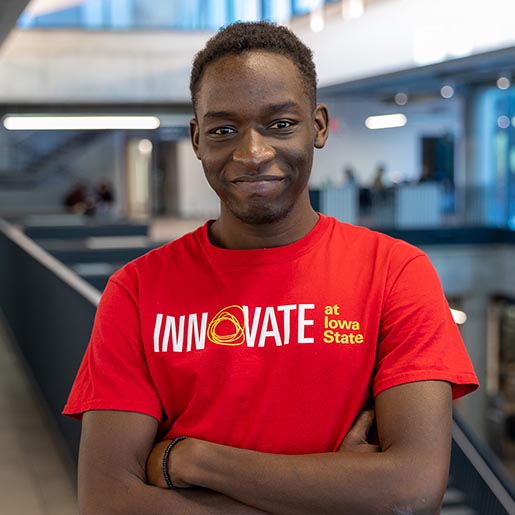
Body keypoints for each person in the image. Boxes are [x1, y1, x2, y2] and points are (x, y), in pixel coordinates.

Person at [63, 21, 479, 514]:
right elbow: (108, 500)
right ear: (197, 139)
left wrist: (195, 460)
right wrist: (336, 496)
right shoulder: (135, 291)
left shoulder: (396, 272)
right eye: (223, 129)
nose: (253, 153)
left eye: (280, 124)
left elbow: (411, 489)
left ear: (318, 126)